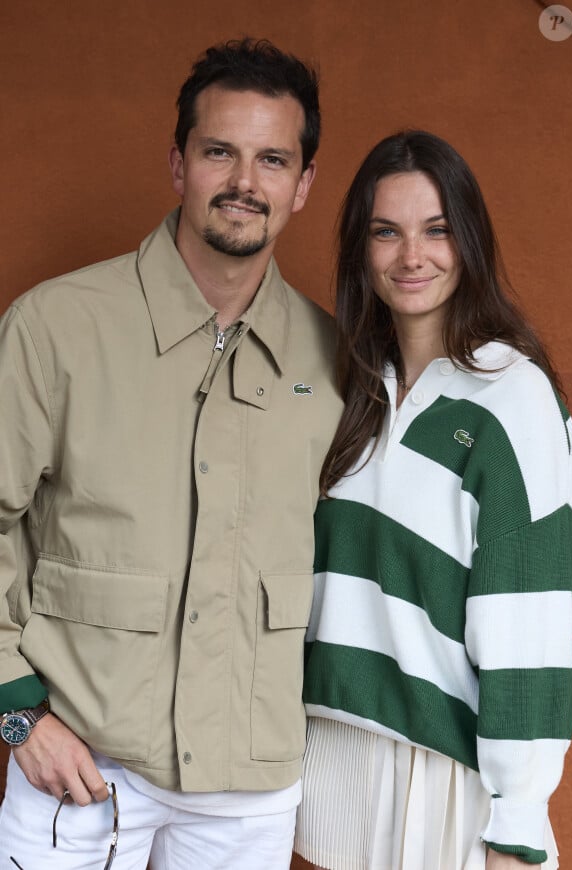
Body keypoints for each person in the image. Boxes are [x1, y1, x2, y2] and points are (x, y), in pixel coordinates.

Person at [0, 38, 343, 869]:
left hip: (249, 791)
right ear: (178, 163)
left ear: (301, 185)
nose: (244, 182)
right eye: (219, 151)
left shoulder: (336, 359)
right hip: (79, 771)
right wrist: (15, 715)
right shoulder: (56, 326)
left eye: (272, 159)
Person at [293, 130, 572, 870]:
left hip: (447, 772)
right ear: (362, 247)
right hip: (332, 752)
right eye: (386, 232)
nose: (410, 256)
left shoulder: (513, 400)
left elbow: (531, 619)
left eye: (437, 230)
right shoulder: (348, 386)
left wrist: (517, 821)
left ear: (470, 242)